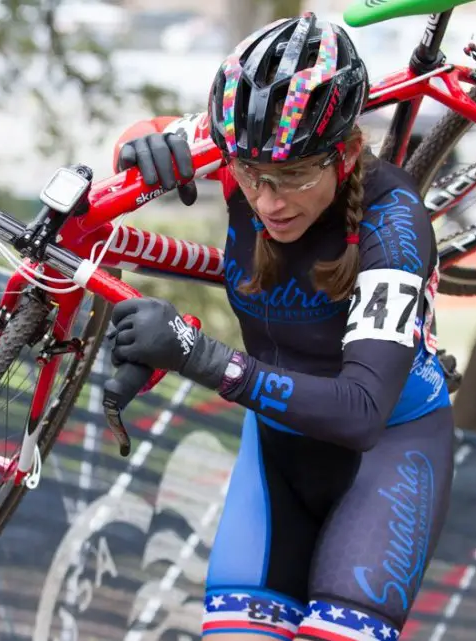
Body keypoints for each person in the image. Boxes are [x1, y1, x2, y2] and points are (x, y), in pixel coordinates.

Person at [106, 13, 458, 641]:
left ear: (346, 153)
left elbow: (359, 414)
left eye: (294, 176)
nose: (268, 201)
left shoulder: (395, 228)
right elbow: (144, 143)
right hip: (276, 453)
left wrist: (197, 354)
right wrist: (137, 143)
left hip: (387, 453)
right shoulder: (243, 148)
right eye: (249, 176)